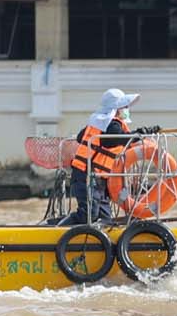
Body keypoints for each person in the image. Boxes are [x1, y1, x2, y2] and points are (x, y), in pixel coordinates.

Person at [66, 89, 159, 224]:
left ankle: (98, 241)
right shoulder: (110, 125)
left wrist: (142, 135)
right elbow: (119, 138)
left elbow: (81, 138)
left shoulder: (97, 123)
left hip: (98, 179)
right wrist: (139, 133)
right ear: (115, 108)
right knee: (88, 214)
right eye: (124, 106)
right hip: (86, 176)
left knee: (104, 217)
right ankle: (57, 230)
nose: (126, 109)